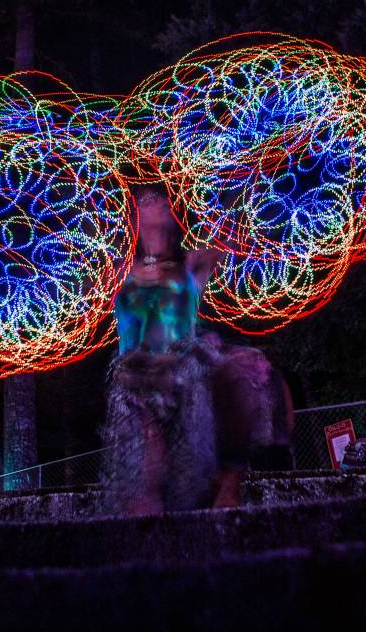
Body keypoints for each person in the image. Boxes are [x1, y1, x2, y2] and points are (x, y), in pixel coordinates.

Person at [101, 187, 274, 514]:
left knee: (243, 366)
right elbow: (68, 277)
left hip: (185, 374)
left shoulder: (192, 264)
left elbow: (233, 236)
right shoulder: (120, 271)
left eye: (160, 200)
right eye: (145, 202)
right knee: (146, 483)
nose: (154, 205)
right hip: (137, 382)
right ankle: (148, 518)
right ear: (133, 219)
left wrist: (245, 183)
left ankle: (228, 485)